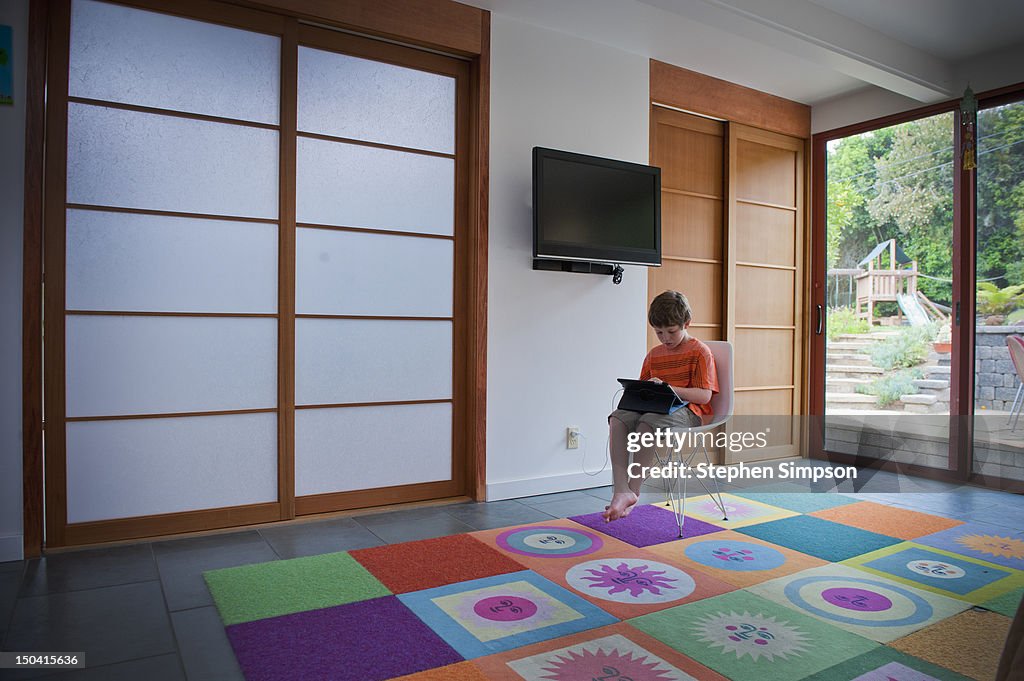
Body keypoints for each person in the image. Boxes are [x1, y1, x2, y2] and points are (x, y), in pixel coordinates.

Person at [603, 290, 718, 522]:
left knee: (648, 424)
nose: (665, 338)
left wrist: (668, 387)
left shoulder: (700, 352)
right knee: (618, 419)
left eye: (671, 332)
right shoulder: (654, 355)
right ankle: (620, 489)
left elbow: (704, 396)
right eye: (659, 333)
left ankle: (633, 491)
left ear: (687, 323)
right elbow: (643, 389)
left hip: (688, 411)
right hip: (655, 407)